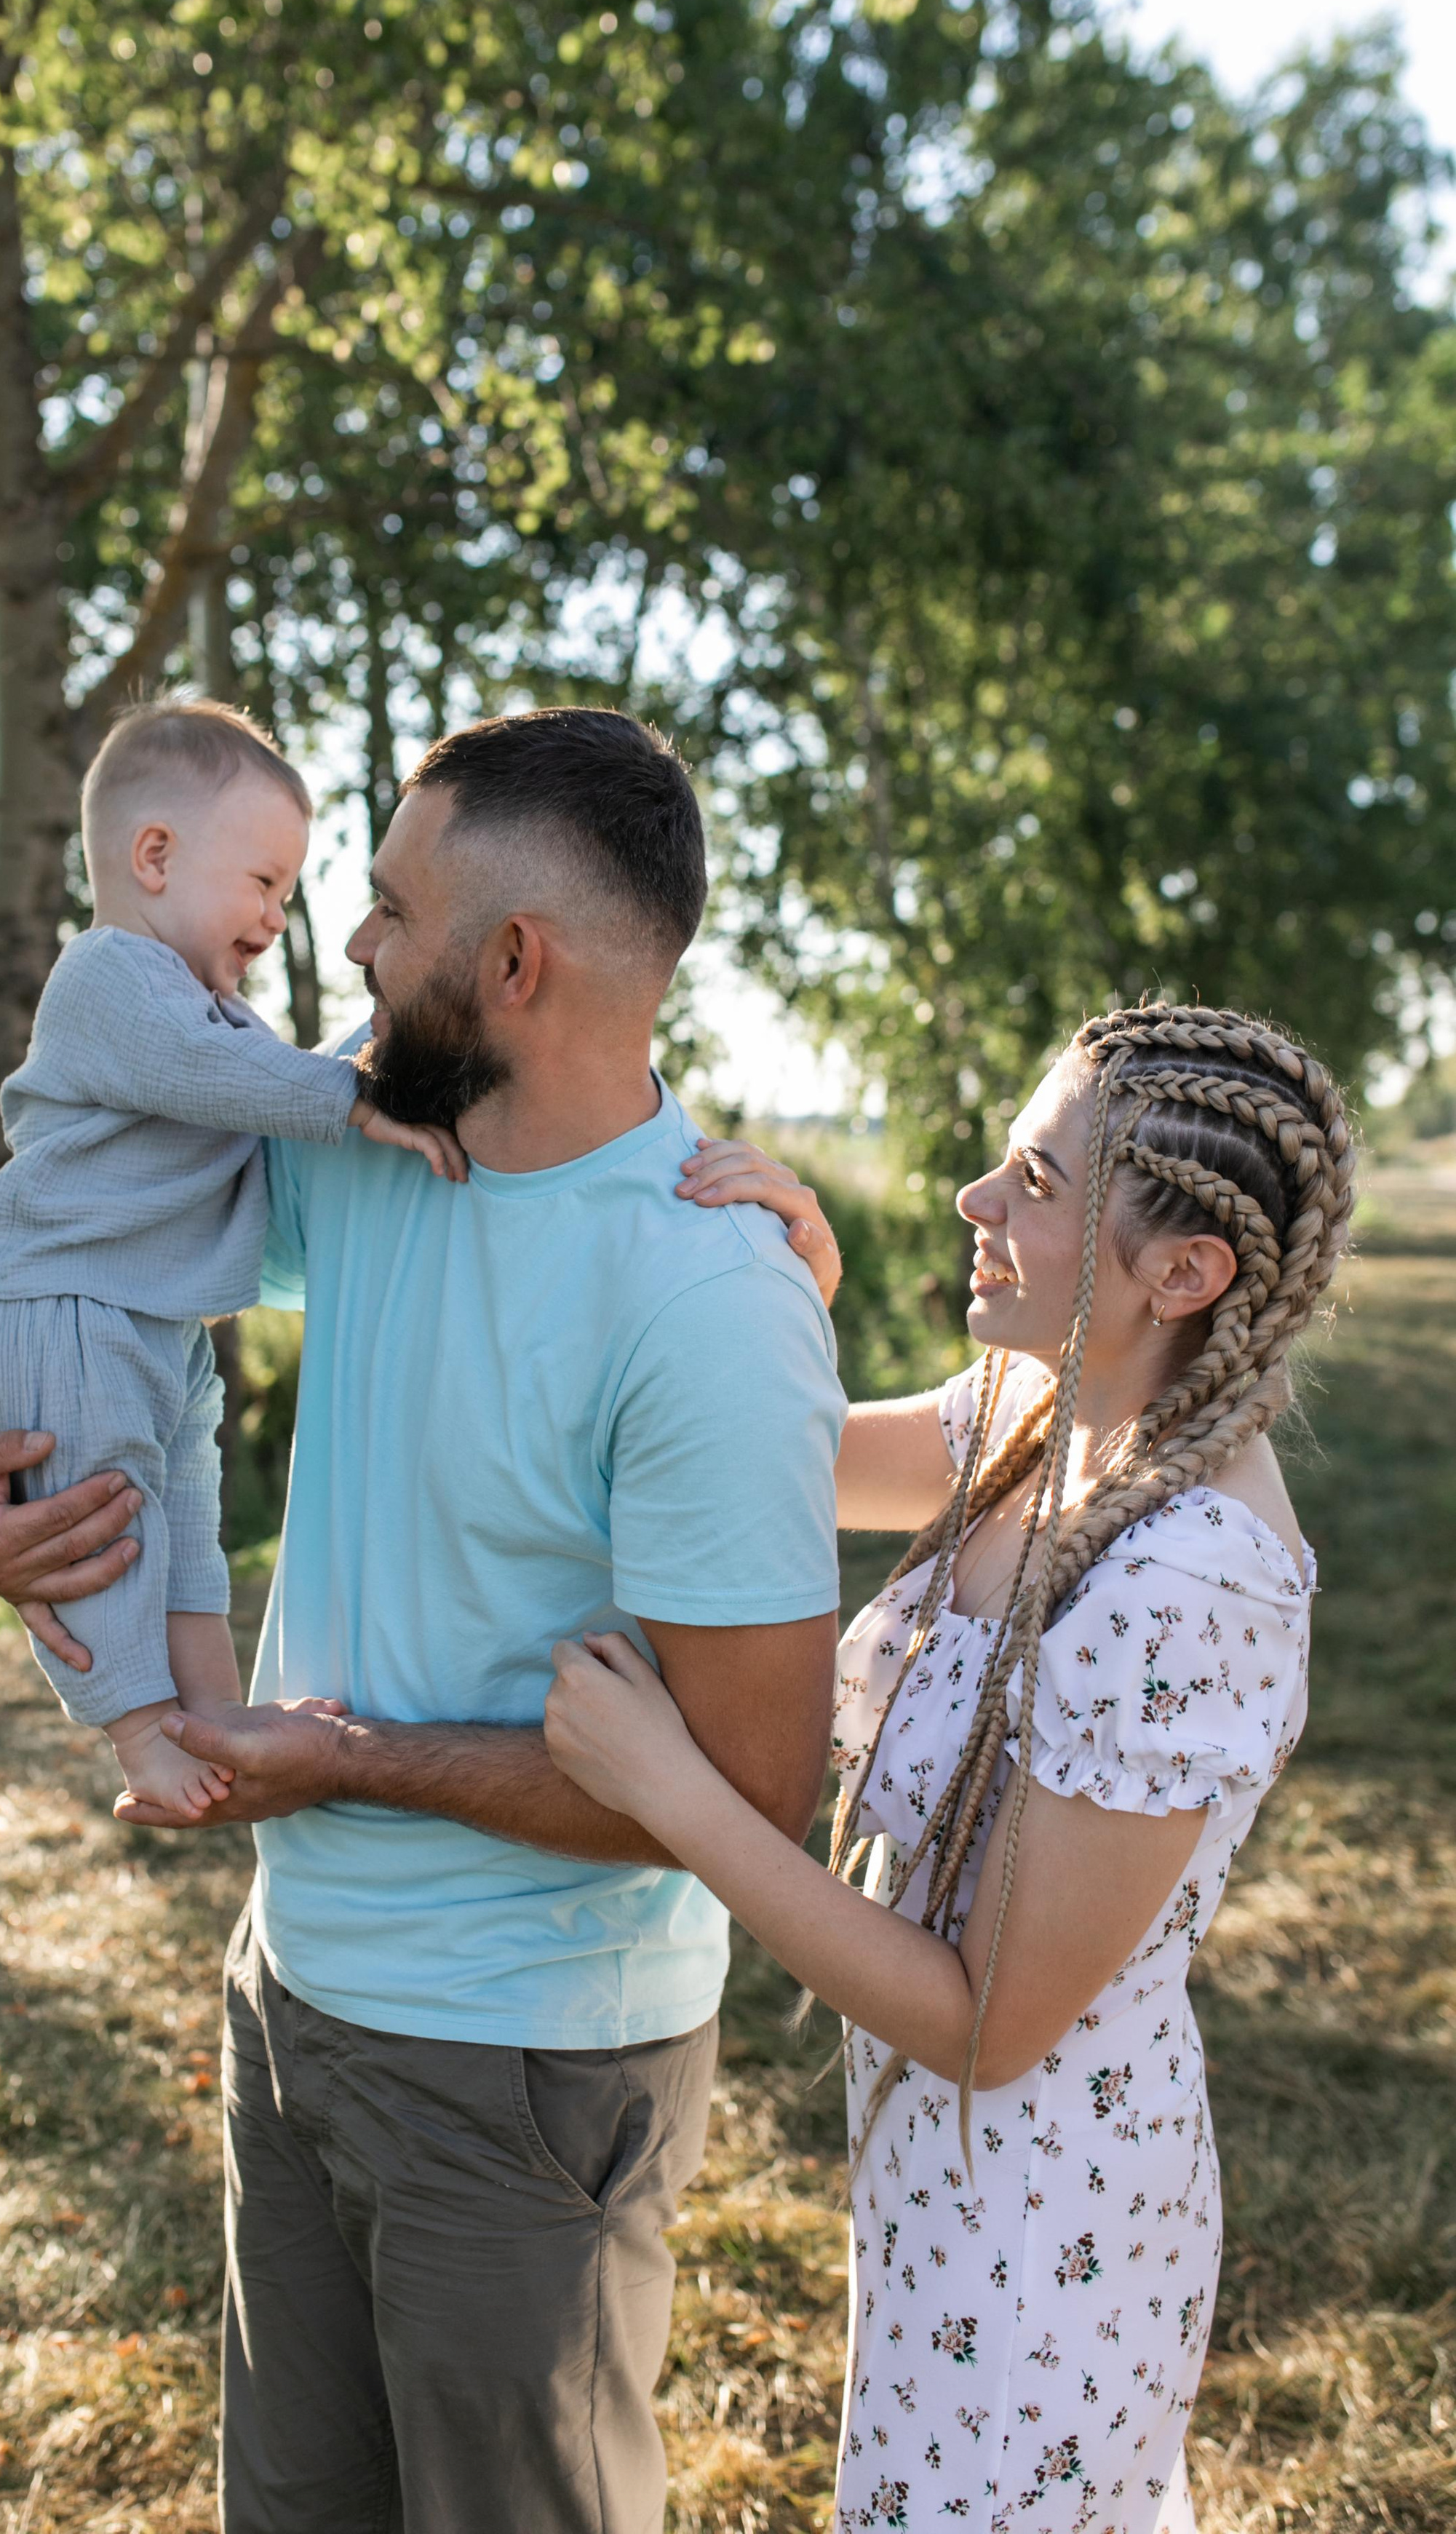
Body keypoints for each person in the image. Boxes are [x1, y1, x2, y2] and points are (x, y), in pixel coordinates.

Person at [0, 706, 848, 2534]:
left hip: (525, 2066)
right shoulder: (360, 1143)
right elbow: (77, 1265)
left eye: (393, 910)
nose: (343, 942)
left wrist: (346, 1760)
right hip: (290, 1995)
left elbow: (749, 1793)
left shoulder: (710, 1300)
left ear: (513, 963)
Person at [544, 1004, 1355, 2534]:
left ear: (1184, 1275)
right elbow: (782, 1457)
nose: (975, 1201)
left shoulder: (1193, 1582)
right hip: (948, 2190)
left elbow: (987, 2025)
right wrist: (772, 1301)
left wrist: (671, 1790)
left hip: (1045, 2231)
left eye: (1034, 1184)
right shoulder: (1039, 1413)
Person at [0, 698, 463, 1822]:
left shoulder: (216, 1014)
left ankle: (217, 1715)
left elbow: (248, 1088)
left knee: (185, 1513)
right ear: (155, 858)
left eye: (286, 890)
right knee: (106, 1513)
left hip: (147, 1311)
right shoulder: (110, 977)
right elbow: (213, 1077)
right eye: (264, 883)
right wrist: (356, 1096)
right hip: (55, 1293)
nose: (277, 915)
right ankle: (138, 1732)